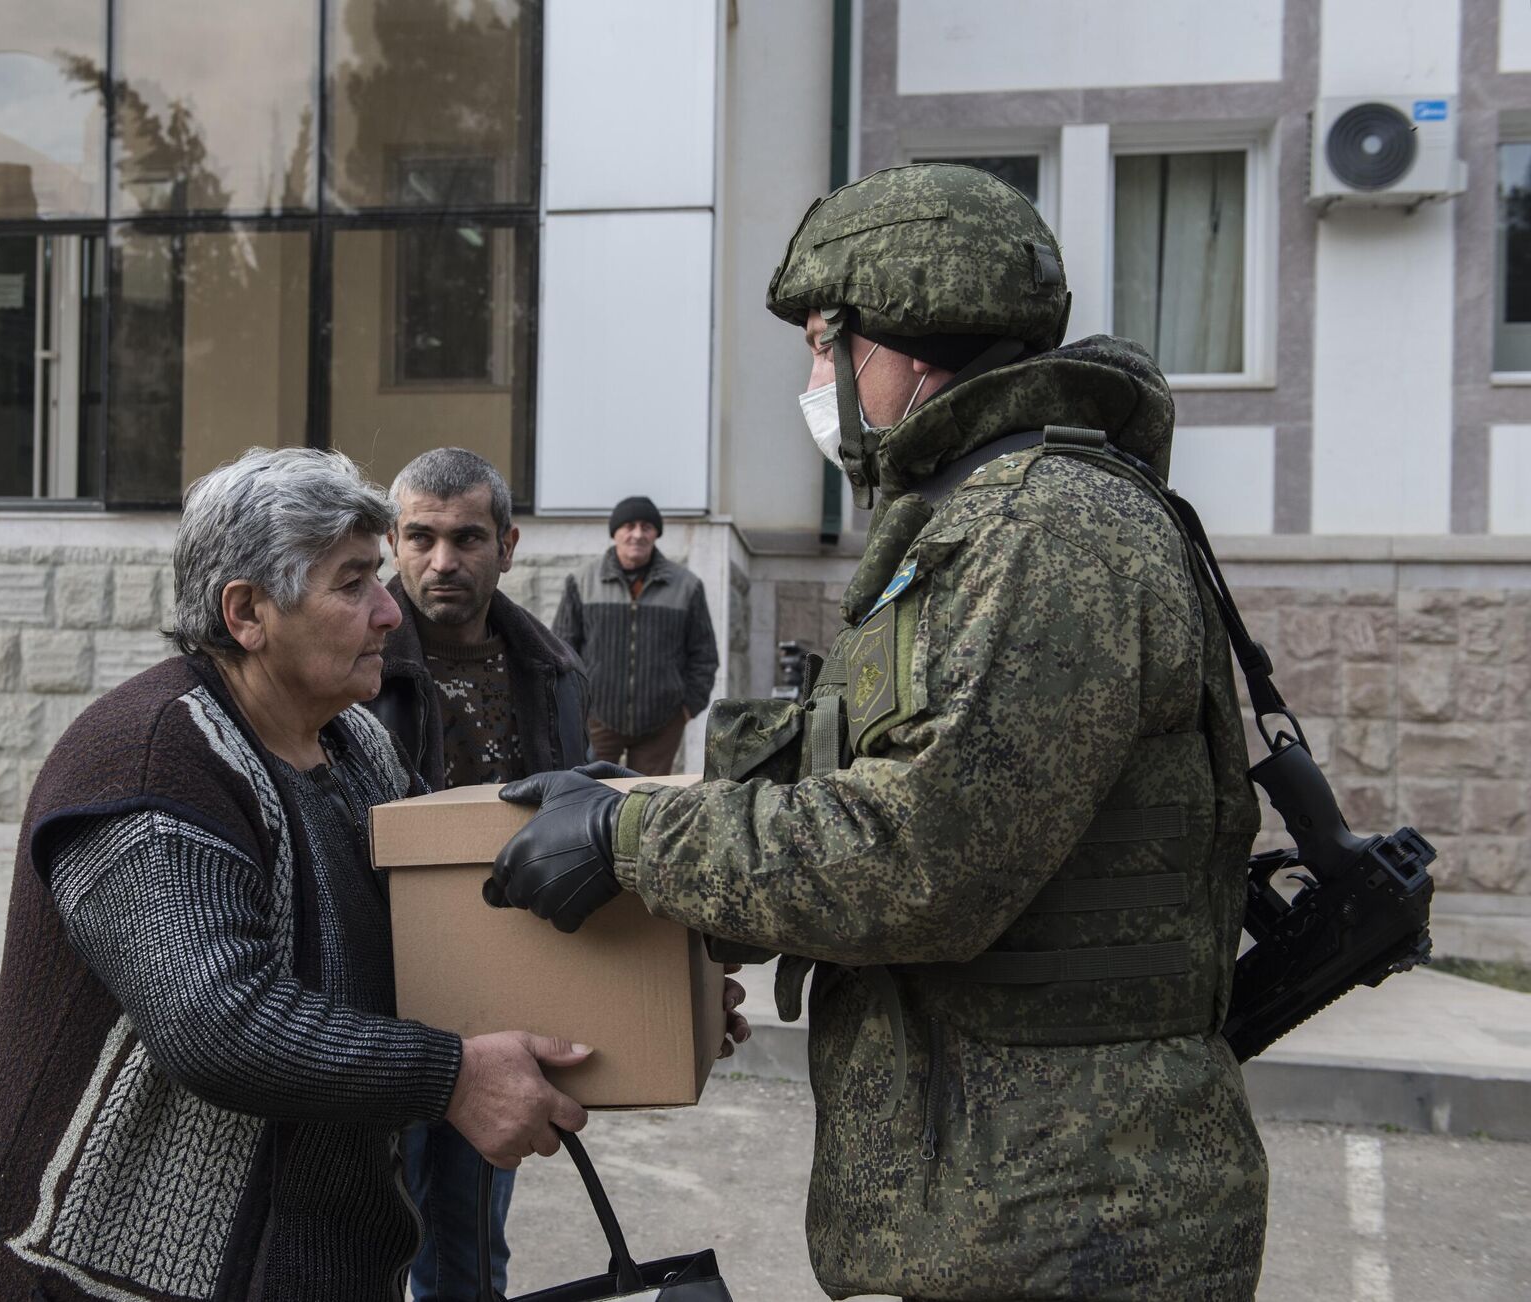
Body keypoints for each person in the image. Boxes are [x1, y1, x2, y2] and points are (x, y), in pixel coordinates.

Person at [491, 164, 1269, 1301]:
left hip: (1067, 1218)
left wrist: (633, 846)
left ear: (904, 341)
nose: (817, 381)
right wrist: (647, 800)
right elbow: (873, 773)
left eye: (825, 344)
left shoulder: (1041, 530)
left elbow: (925, 856)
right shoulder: (975, 520)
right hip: (1007, 1206)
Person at [0, 447, 591, 1302]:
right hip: (83, 1267)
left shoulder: (354, 744)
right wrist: (450, 1076)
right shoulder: (153, 758)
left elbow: (460, 906)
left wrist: (635, 970)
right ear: (247, 613)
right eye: (353, 584)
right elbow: (220, 1022)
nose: (390, 611)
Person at [363, 447, 591, 1299]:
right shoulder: (360, 667)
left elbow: (580, 828)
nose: (441, 561)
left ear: (509, 542)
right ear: (393, 540)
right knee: (370, 1241)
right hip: (382, 1004)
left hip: (502, 1003)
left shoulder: (554, 672)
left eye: (466, 537)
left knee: (471, 1250)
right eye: (419, 538)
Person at [552, 496, 719, 775]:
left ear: (656, 533)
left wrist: (688, 708)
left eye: (646, 527)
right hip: (595, 718)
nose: (638, 534)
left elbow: (704, 653)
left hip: (662, 722)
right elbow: (561, 649)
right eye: (629, 526)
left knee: (646, 803)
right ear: (615, 532)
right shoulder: (582, 582)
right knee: (589, 794)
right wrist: (575, 707)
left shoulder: (687, 586)